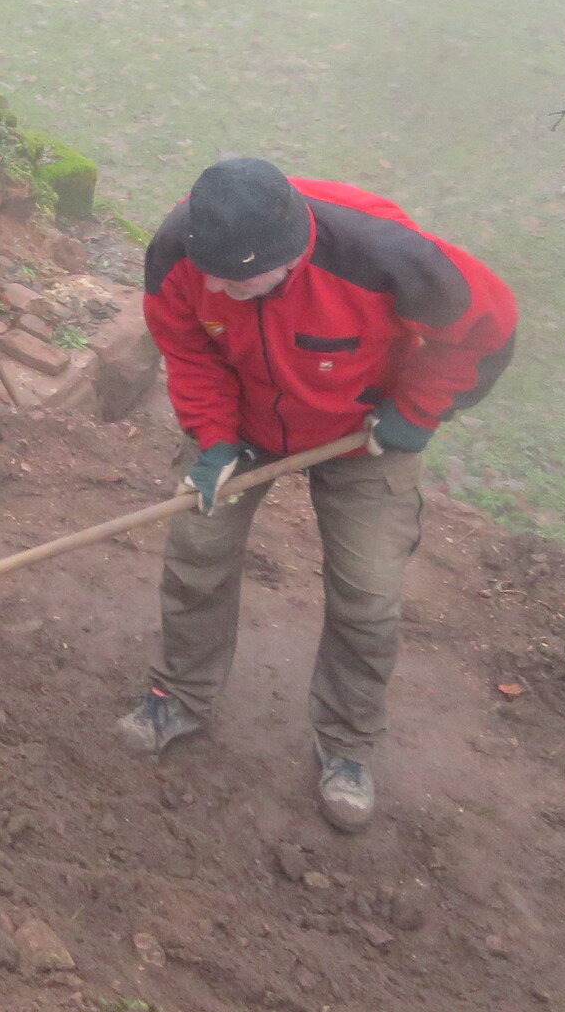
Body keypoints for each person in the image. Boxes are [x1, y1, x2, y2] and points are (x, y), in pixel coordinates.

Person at [118, 156, 516, 833]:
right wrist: (213, 440)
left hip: (364, 436)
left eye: (233, 279)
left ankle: (347, 744)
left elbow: (487, 328)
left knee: (368, 594)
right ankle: (179, 694)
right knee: (196, 553)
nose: (213, 286)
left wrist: (416, 412)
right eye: (208, 271)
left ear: (289, 257)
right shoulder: (182, 248)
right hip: (242, 427)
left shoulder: (383, 254)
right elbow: (187, 349)